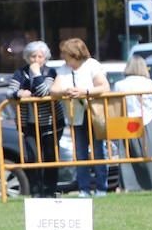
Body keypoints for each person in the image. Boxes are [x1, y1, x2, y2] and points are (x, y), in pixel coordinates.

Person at [51, 37, 109, 197]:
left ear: (74, 53)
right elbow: (53, 90)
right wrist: (64, 92)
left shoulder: (92, 65)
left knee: (99, 151)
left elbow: (104, 86)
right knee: (80, 153)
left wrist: (84, 91)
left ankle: (101, 188)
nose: (63, 56)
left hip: (94, 114)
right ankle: (84, 188)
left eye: (65, 53)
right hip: (75, 116)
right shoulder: (63, 69)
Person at [9, 40, 61, 198]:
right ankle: (36, 192)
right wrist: (19, 94)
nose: (36, 59)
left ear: (45, 58)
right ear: (27, 57)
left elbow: (43, 92)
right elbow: (10, 91)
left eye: (40, 56)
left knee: (51, 157)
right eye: (33, 56)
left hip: (51, 123)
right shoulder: (20, 72)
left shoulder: (51, 72)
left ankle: (50, 190)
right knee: (33, 157)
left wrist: (36, 73)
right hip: (29, 123)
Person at [118, 56, 152, 192]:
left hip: (126, 121)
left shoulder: (120, 84)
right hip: (146, 119)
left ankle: (130, 185)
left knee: (128, 156)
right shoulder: (148, 83)